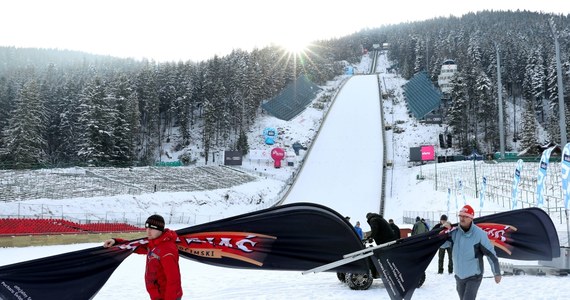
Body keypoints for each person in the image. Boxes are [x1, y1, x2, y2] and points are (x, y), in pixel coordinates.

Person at [104, 214, 183, 300]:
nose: (148, 231)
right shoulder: (153, 243)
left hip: (167, 295)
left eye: (152, 228)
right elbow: (136, 247)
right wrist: (116, 242)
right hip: (157, 294)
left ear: (160, 229)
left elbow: (173, 279)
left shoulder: (167, 249)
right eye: (147, 228)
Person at [444, 205, 501, 300]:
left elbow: (491, 254)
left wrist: (497, 273)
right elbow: (442, 244)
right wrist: (444, 229)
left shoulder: (480, 234)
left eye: (465, 216)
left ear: (471, 218)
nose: (462, 219)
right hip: (459, 276)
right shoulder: (454, 232)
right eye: (460, 216)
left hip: (474, 276)